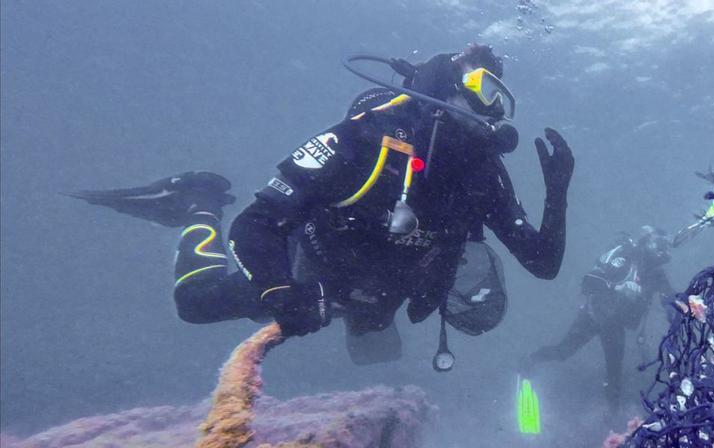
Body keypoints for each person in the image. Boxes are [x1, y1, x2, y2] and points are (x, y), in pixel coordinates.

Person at [69, 44, 574, 366]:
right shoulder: (370, 138)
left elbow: (542, 262)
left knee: (377, 348)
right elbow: (258, 221)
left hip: (377, 292)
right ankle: (197, 205)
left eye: (501, 98)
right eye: (482, 86)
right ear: (443, 84)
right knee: (195, 304)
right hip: (306, 275)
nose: (491, 109)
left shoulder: (482, 173)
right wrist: (277, 289)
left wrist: (557, 192)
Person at [526, 226, 674, 405]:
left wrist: (685, 307)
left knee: (614, 373)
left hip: (615, 324)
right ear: (648, 242)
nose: (663, 250)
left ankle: (612, 415)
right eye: (659, 244)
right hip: (594, 315)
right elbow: (590, 280)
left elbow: (669, 297)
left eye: (665, 246)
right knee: (563, 351)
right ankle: (528, 362)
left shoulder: (656, 273)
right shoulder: (625, 256)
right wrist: (618, 288)